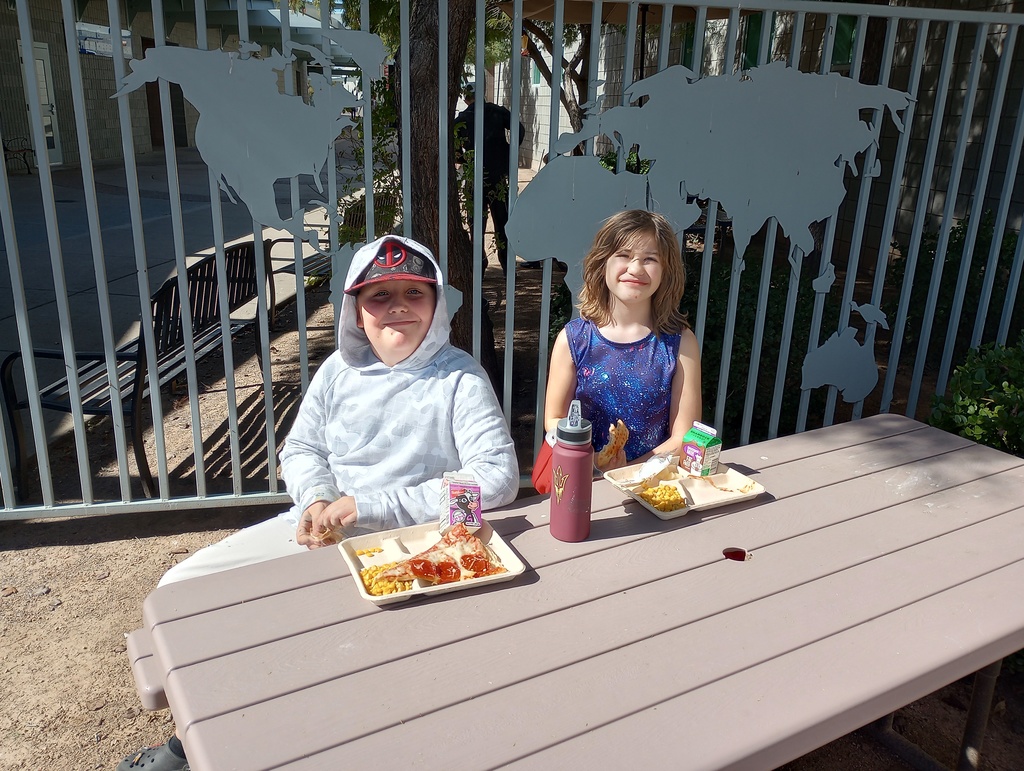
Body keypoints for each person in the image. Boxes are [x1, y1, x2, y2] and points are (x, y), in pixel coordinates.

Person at [116, 234, 520, 771]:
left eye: (413, 293)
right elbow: (301, 448)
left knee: (324, 653)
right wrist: (315, 499)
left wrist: (371, 505)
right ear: (355, 309)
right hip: (324, 531)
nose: (397, 306)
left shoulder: (459, 377)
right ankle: (193, 739)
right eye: (379, 296)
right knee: (183, 592)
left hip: (411, 545)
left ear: (437, 303)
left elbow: (496, 478)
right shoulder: (336, 372)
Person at [543, 209, 702, 470]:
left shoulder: (681, 343)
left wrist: (630, 471)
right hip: (581, 481)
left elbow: (683, 437)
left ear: (666, 270)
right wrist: (593, 462)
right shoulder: (573, 340)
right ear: (602, 262)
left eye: (650, 259)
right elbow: (555, 419)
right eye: (624, 255)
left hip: (651, 483)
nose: (636, 268)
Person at [454, 81, 529, 275]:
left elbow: (454, 148)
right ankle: (506, 266)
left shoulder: (461, 119)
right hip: (497, 177)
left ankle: (479, 265)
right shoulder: (497, 112)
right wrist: (508, 153)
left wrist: (463, 158)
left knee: (476, 226)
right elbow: (519, 130)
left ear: (465, 98)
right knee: (503, 223)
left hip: (474, 178)